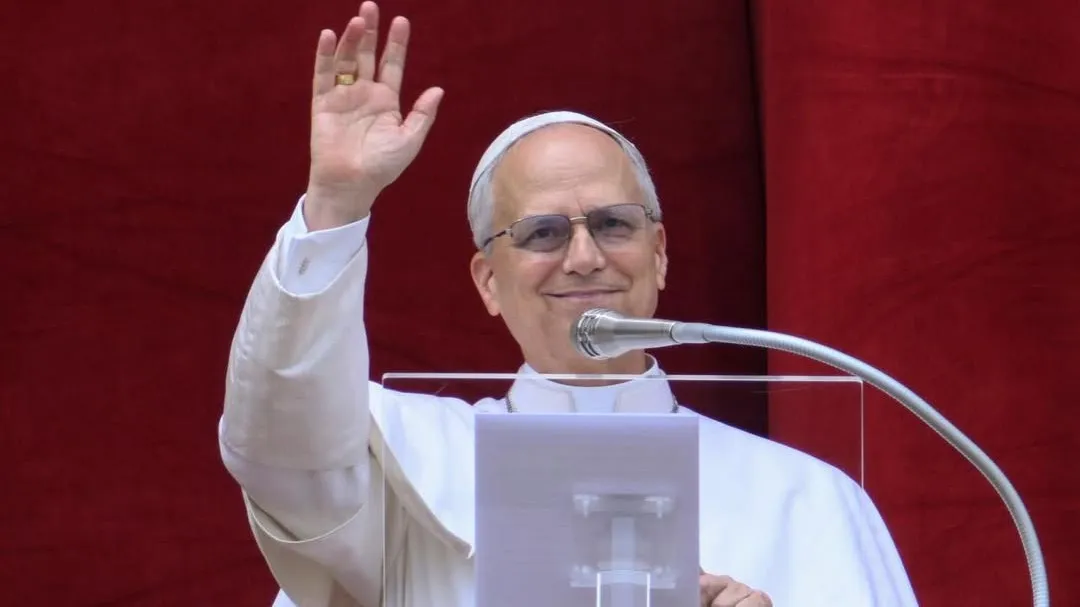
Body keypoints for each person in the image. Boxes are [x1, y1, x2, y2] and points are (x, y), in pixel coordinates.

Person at [218, 3, 918, 606]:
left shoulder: (807, 501)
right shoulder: (403, 465)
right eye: (543, 233)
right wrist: (336, 204)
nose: (584, 257)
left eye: (613, 224)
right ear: (489, 282)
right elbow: (281, 445)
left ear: (659, 253)